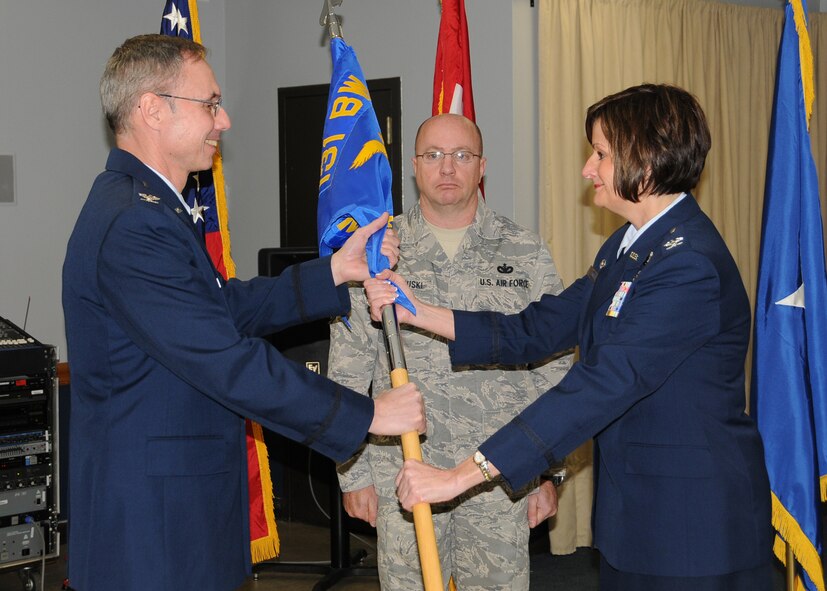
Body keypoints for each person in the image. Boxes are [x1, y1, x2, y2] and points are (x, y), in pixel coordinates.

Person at [367, 85, 773, 590]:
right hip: (639, 516)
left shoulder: (687, 264)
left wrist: (457, 477)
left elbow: (598, 387)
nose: (588, 168)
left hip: (693, 528)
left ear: (645, 162)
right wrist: (418, 311)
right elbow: (535, 329)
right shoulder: (625, 248)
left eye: (601, 154)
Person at [61, 34, 425, 591]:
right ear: (152, 109)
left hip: (176, 511)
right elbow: (225, 359)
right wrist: (369, 415)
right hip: (154, 533)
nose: (224, 119)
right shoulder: (134, 222)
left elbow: (218, 309)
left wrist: (333, 271)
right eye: (209, 103)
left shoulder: (147, 208)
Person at [330, 113, 571, 590]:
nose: (447, 168)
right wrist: (352, 473)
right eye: (433, 156)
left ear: (482, 168)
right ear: (414, 166)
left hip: (500, 477)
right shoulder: (375, 253)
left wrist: (548, 472)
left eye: (462, 156)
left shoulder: (524, 251)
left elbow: (555, 368)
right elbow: (348, 367)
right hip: (404, 473)